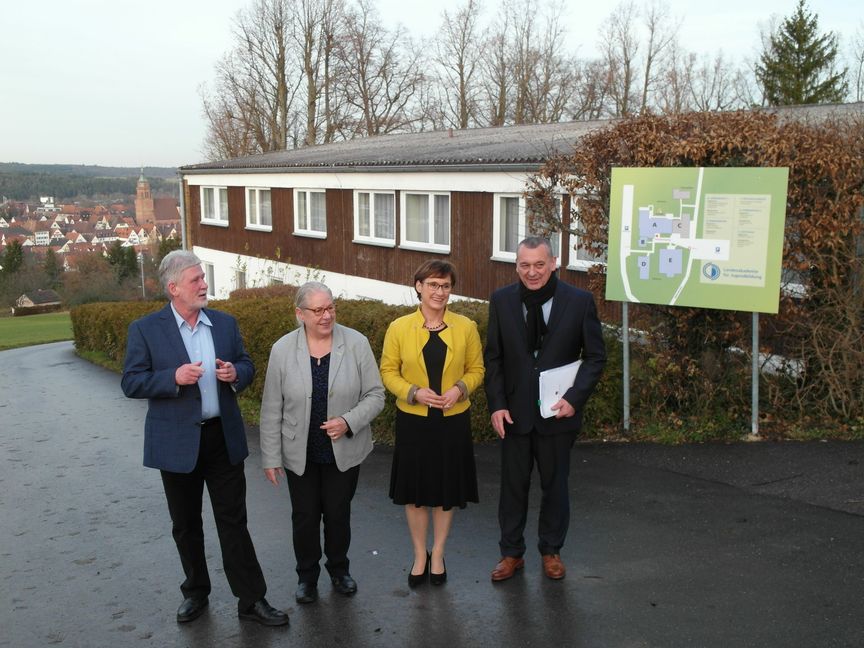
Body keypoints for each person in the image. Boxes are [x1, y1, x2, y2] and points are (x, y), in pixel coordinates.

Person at [121, 250, 289, 626]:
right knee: (185, 524)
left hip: (221, 438)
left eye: (202, 277)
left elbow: (247, 364)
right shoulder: (146, 329)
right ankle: (196, 592)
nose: (204, 284)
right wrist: (172, 378)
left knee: (234, 522)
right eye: (195, 279)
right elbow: (131, 381)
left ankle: (251, 600)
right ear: (174, 288)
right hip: (176, 443)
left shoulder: (224, 324)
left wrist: (236, 373)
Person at [484, 236, 606, 582]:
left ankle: (551, 551)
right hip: (515, 415)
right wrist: (497, 405)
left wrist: (574, 398)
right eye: (525, 265)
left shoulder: (579, 301)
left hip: (558, 414)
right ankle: (511, 554)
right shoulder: (502, 301)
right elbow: (494, 358)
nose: (532, 272)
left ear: (554, 263)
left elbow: (596, 357)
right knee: (512, 488)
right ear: (516, 266)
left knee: (556, 488)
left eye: (540, 264)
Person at [259, 281, 385, 605]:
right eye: (318, 310)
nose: (326, 316)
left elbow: (376, 395)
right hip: (299, 451)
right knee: (304, 517)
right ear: (300, 313)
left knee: (338, 514)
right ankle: (307, 577)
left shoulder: (356, 343)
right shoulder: (282, 350)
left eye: (330, 307)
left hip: (343, 450)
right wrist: (270, 457)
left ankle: (339, 570)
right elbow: (271, 407)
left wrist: (348, 421)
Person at [380, 260, 485, 587]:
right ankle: (419, 555)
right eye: (433, 285)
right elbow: (388, 372)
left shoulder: (465, 327)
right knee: (414, 493)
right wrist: (413, 392)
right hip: (414, 422)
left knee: (445, 491)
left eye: (446, 286)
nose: (440, 292)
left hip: (453, 421)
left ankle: (437, 553)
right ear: (419, 286)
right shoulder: (399, 328)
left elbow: (477, 370)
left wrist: (460, 389)